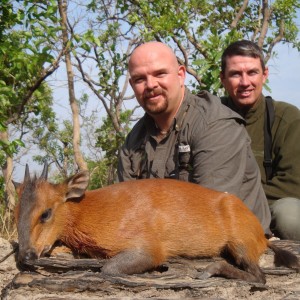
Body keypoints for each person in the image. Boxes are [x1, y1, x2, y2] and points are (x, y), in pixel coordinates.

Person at [117, 41, 271, 234]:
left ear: (180, 74)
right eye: (140, 79)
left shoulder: (215, 124)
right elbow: (125, 212)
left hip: (232, 242)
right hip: (164, 241)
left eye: (160, 74)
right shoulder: (133, 140)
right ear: (132, 85)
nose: (150, 85)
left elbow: (210, 215)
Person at [220, 40, 300, 240]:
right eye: (235, 74)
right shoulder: (209, 115)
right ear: (222, 78)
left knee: (289, 216)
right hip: (215, 209)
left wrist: (237, 204)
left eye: (252, 72)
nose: (245, 82)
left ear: (265, 75)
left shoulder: (288, 118)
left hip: (265, 206)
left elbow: (293, 183)